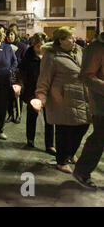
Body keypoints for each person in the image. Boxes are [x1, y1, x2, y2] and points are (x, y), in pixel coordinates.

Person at [33, 27, 91, 174]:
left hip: (81, 97)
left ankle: (70, 153)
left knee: (82, 127)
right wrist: (41, 98)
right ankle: (61, 160)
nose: (74, 39)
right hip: (62, 101)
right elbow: (44, 79)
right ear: (61, 40)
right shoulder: (51, 56)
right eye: (71, 37)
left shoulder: (79, 50)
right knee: (64, 132)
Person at [73, 32, 104, 190]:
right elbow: (86, 76)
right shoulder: (96, 48)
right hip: (101, 105)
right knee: (99, 139)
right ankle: (82, 171)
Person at [17, 32, 55, 154]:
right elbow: (22, 72)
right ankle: (30, 139)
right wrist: (21, 86)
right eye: (37, 45)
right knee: (32, 116)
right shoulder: (29, 55)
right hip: (32, 90)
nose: (40, 48)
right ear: (33, 45)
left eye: (42, 45)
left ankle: (49, 145)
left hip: (48, 91)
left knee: (49, 119)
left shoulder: (50, 55)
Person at [5, 29, 27, 124]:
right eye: (8, 35)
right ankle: (10, 114)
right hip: (8, 74)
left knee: (18, 95)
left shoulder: (22, 46)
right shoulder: (5, 46)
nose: (10, 36)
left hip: (18, 74)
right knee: (9, 95)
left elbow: (25, 60)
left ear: (15, 35)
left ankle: (19, 114)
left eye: (11, 34)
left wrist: (16, 60)